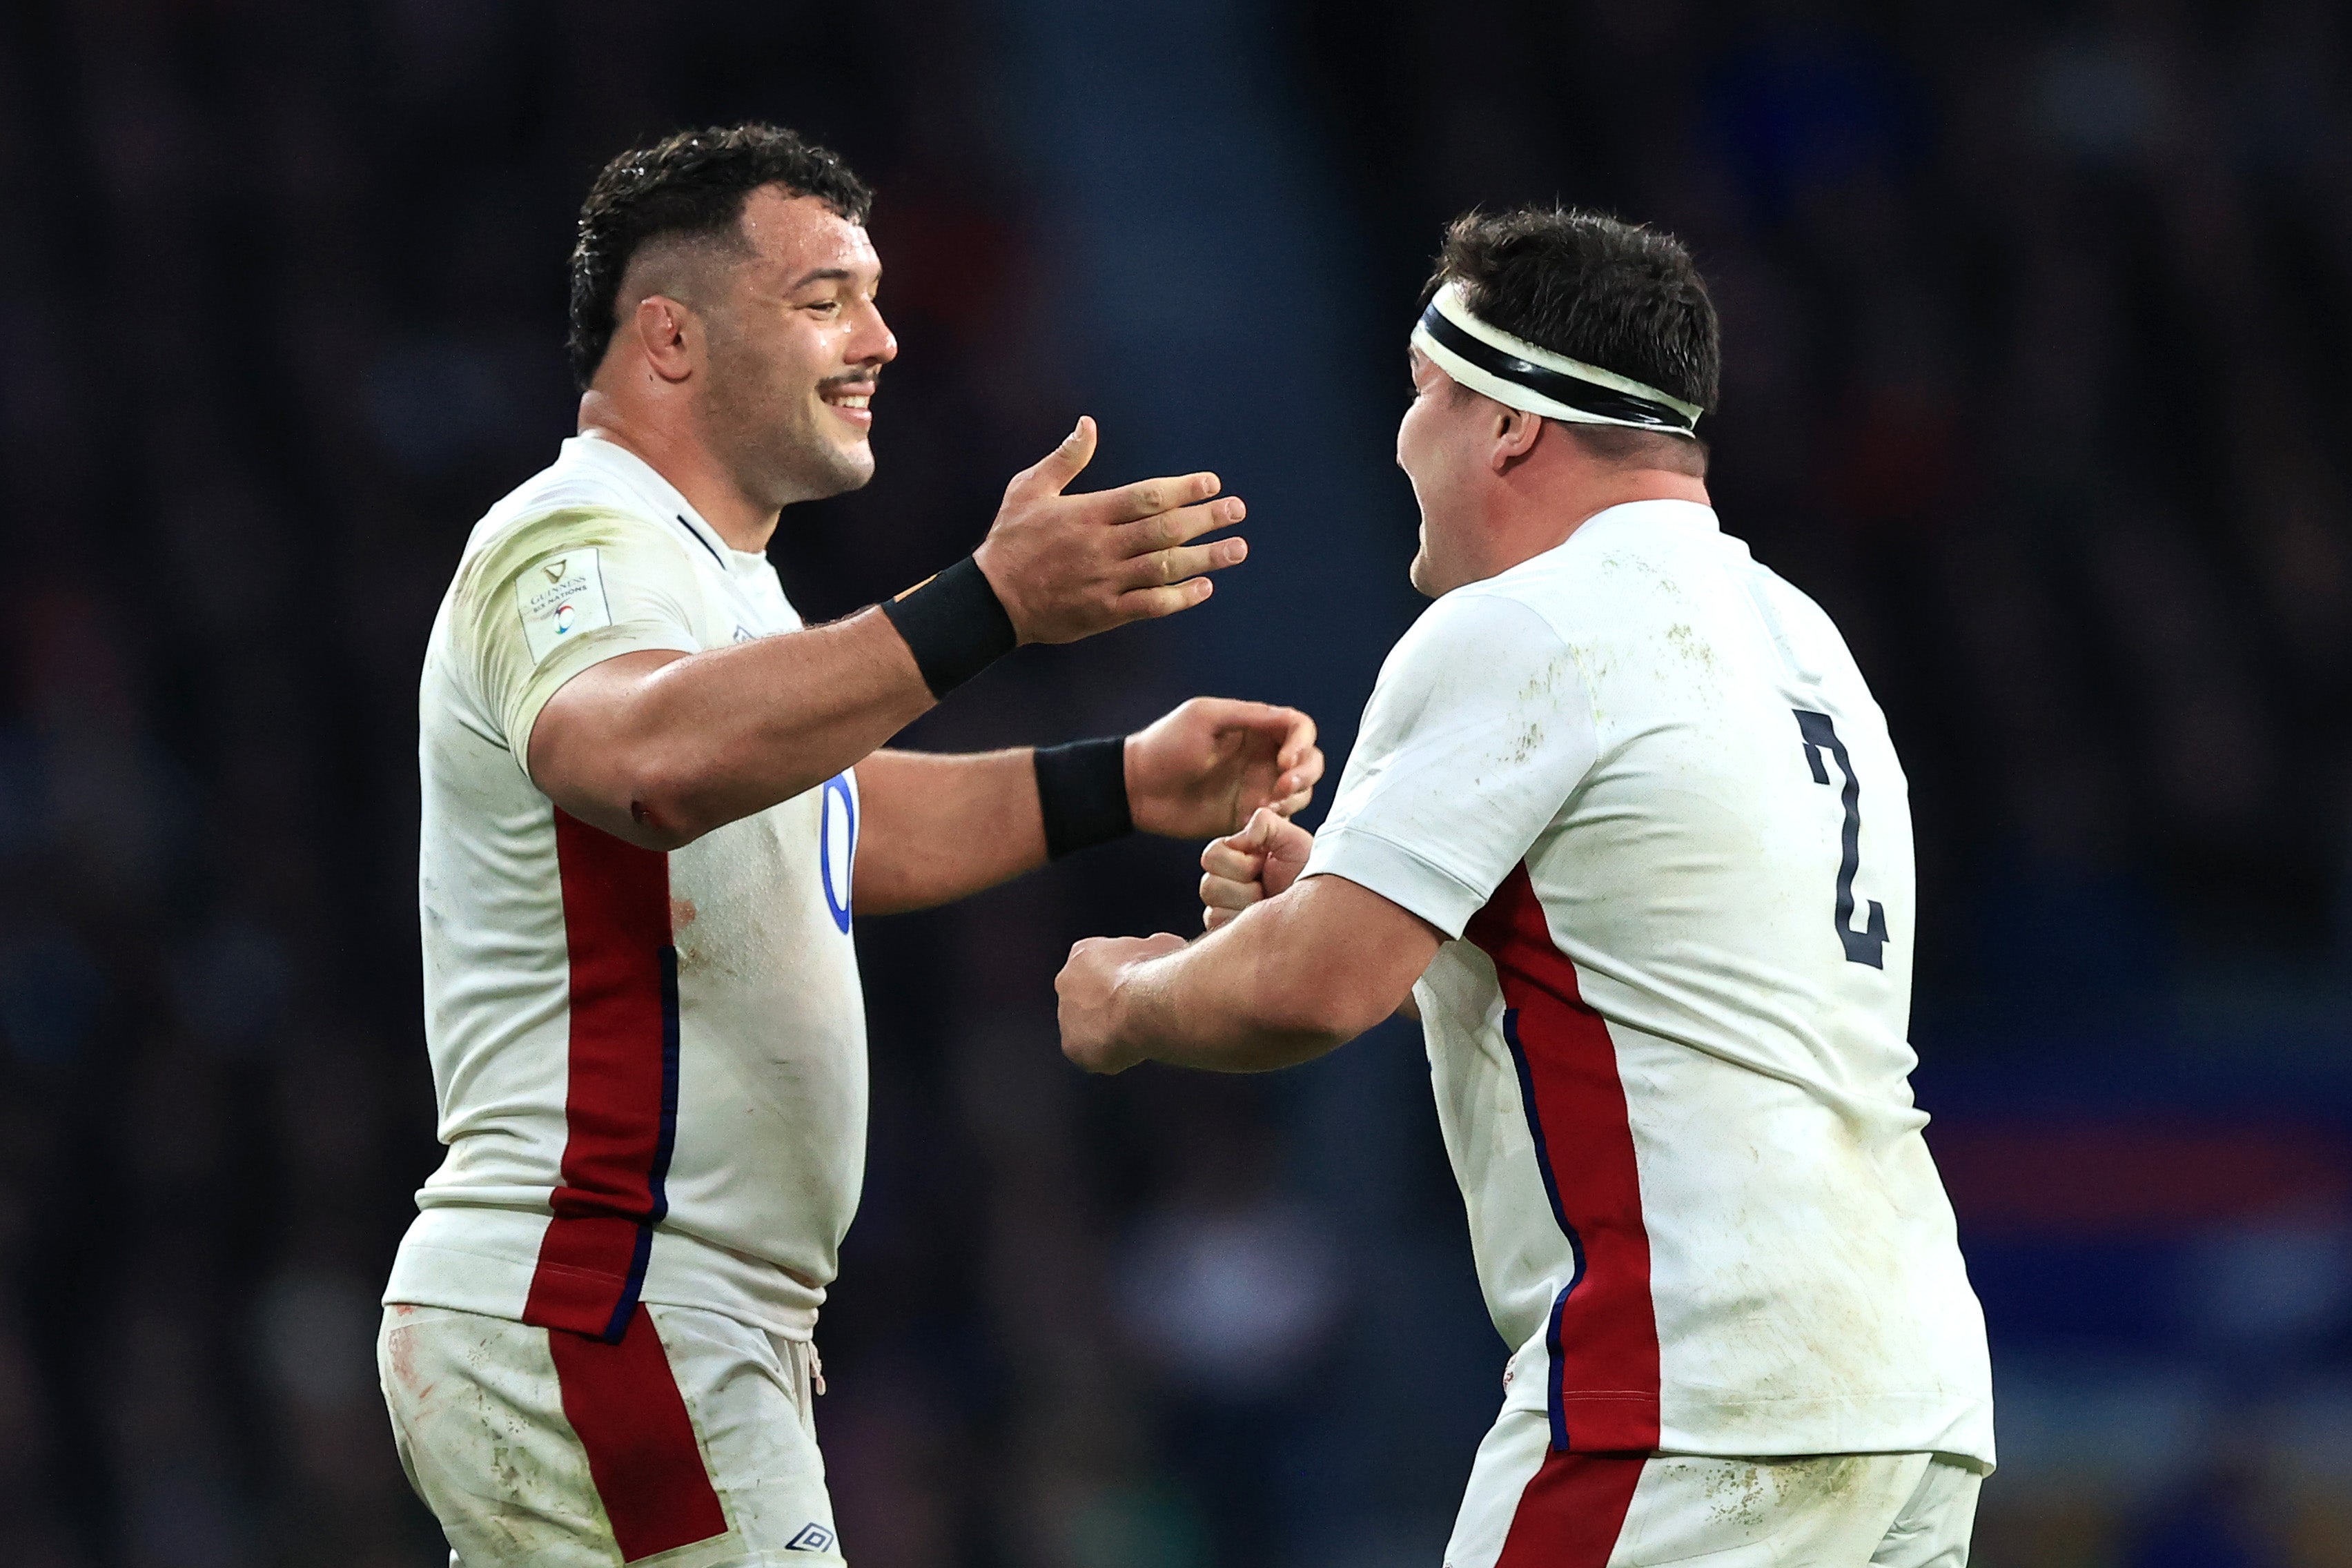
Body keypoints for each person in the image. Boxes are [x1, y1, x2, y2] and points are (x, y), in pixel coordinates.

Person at [378, 123, 1324, 1568]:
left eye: (875, 295)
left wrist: (1119, 780)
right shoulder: (569, 541)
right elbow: (642, 761)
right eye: (824, 297)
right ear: (671, 336)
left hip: (651, 1311)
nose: (881, 336)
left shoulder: (720, 584)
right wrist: (988, 603)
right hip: (612, 1294)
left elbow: (821, 822)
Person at [1057, 206, 1994, 1567]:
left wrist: (1131, 997)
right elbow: (1670, 988)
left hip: (1694, 1388)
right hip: (1910, 1394)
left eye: (1427, 391)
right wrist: (1372, 894)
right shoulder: (1804, 643)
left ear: (1509, 424)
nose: (1399, 433)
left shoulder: (1524, 622)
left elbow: (1316, 985)